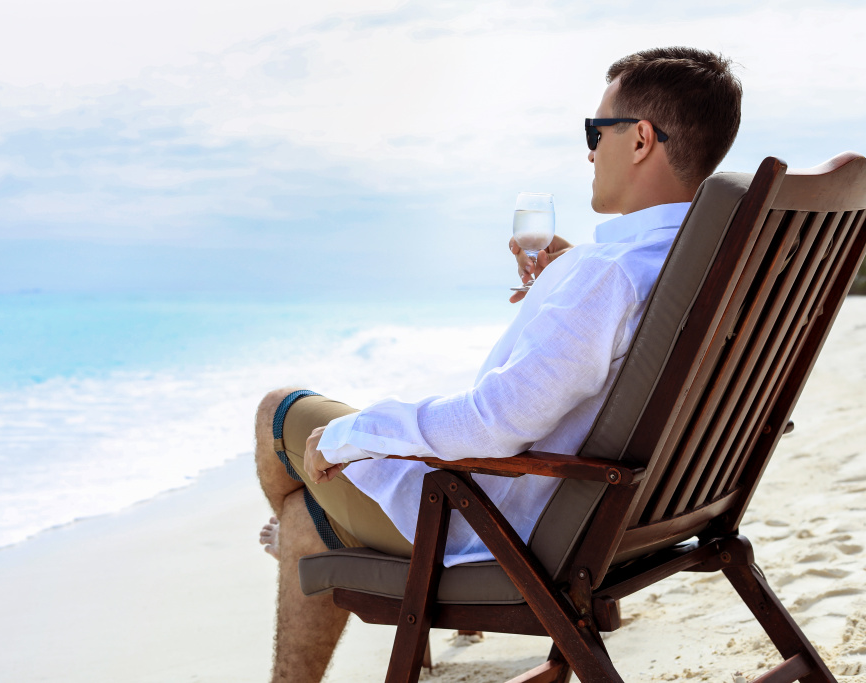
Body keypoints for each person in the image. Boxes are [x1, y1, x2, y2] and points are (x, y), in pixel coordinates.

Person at [253, 46, 743, 683]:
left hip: (502, 526)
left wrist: (353, 434)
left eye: (596, 131)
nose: (590, 152)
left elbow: (498, 420)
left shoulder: (610, 275)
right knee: (308, 514)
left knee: (280, 418)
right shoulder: (710, 262)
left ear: (641, 139)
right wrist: (569, 280)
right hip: (648, 516)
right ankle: (313, 533)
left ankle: (313, 538)